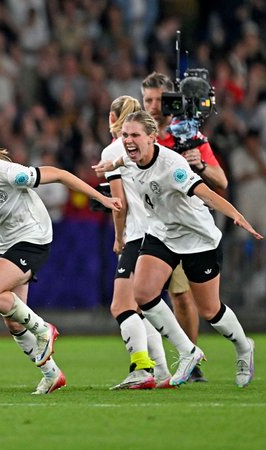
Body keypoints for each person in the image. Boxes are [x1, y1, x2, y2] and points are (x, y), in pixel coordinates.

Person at [0, 122, 122, 394]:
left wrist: (101, 199)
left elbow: (58, 174)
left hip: (32, 236)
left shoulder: (7, 173)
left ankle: (43, 328)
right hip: (2, 244)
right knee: (12, 319)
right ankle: (52, 374)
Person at [93, 111, 259, 387]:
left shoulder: (173, 165)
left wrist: (236, 215)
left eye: (135, 135)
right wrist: (111, 164)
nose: (129, 141)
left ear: (151, 137)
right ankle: (188, 351)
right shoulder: (129, 159)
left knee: (210, 310)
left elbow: (206, 193)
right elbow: (122, 161)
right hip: (162, 233)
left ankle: (243, 347)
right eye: (125, 135)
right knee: (143, 293)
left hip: (197, 238)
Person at [141, 71, 229, 382]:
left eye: (159, 100)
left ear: (172, 100)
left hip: (182, 227)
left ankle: (190, 357)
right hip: (149, 226)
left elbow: (221, 182)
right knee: (141, 295)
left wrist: (200, 164)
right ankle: (146, 362)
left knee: (181, 296)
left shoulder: (186, 136)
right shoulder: (137, 135)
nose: (153, 106)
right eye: (147, 100)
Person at [99, 96, 171, 390]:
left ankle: (142, 367)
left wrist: (119, 237)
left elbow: (120, 203)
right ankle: (163, 372)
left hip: (137, 233)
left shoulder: (113, 149)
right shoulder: (150, 146)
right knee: (141, 305)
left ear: (113, 116)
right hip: (159, 231)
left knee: (121, 305)